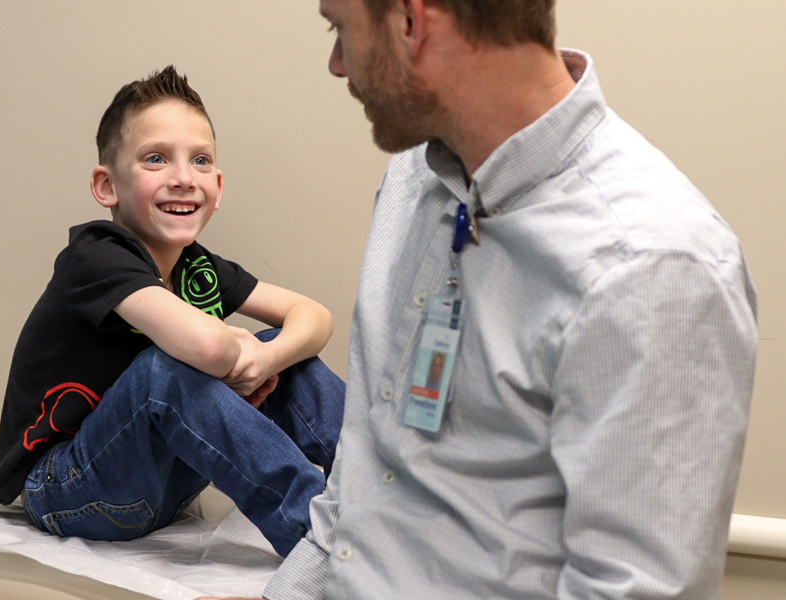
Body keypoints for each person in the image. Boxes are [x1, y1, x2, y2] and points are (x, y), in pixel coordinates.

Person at [198, 0, 758, 598]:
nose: (337, 64)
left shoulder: (651, 269)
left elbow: (631, 589)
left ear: (413, 21)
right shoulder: (417, 179)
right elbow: (360, 488)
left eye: (340, 29)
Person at [0, 66, 345, 558]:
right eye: (156, 159)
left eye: (200, 161)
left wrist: (266, 359)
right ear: (106, 185)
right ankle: (323, 540)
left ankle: (386, 497)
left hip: (162, 485)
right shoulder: (96, 255)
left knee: (284, 355)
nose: (183, 178)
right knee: (163, 372)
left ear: (218, 186)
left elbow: (313, 316)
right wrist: (235, 348)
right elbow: (206, 348)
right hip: (67, 486)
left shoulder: (198, 268)